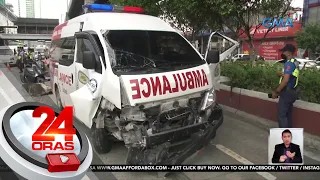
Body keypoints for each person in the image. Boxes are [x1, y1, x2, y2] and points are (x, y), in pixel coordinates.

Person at [272, 44, 299, 128]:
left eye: (284, 51)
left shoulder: (288, 63)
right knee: (288, 115)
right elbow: (292, 76)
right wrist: (282, 74)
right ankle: (289, 136)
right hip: (293, 91)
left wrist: (276, 91)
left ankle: (284, 137)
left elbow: (286, 80)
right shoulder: (295, 62)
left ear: (288, 53)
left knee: (282, 116)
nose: (283, 53)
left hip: (287, 92)